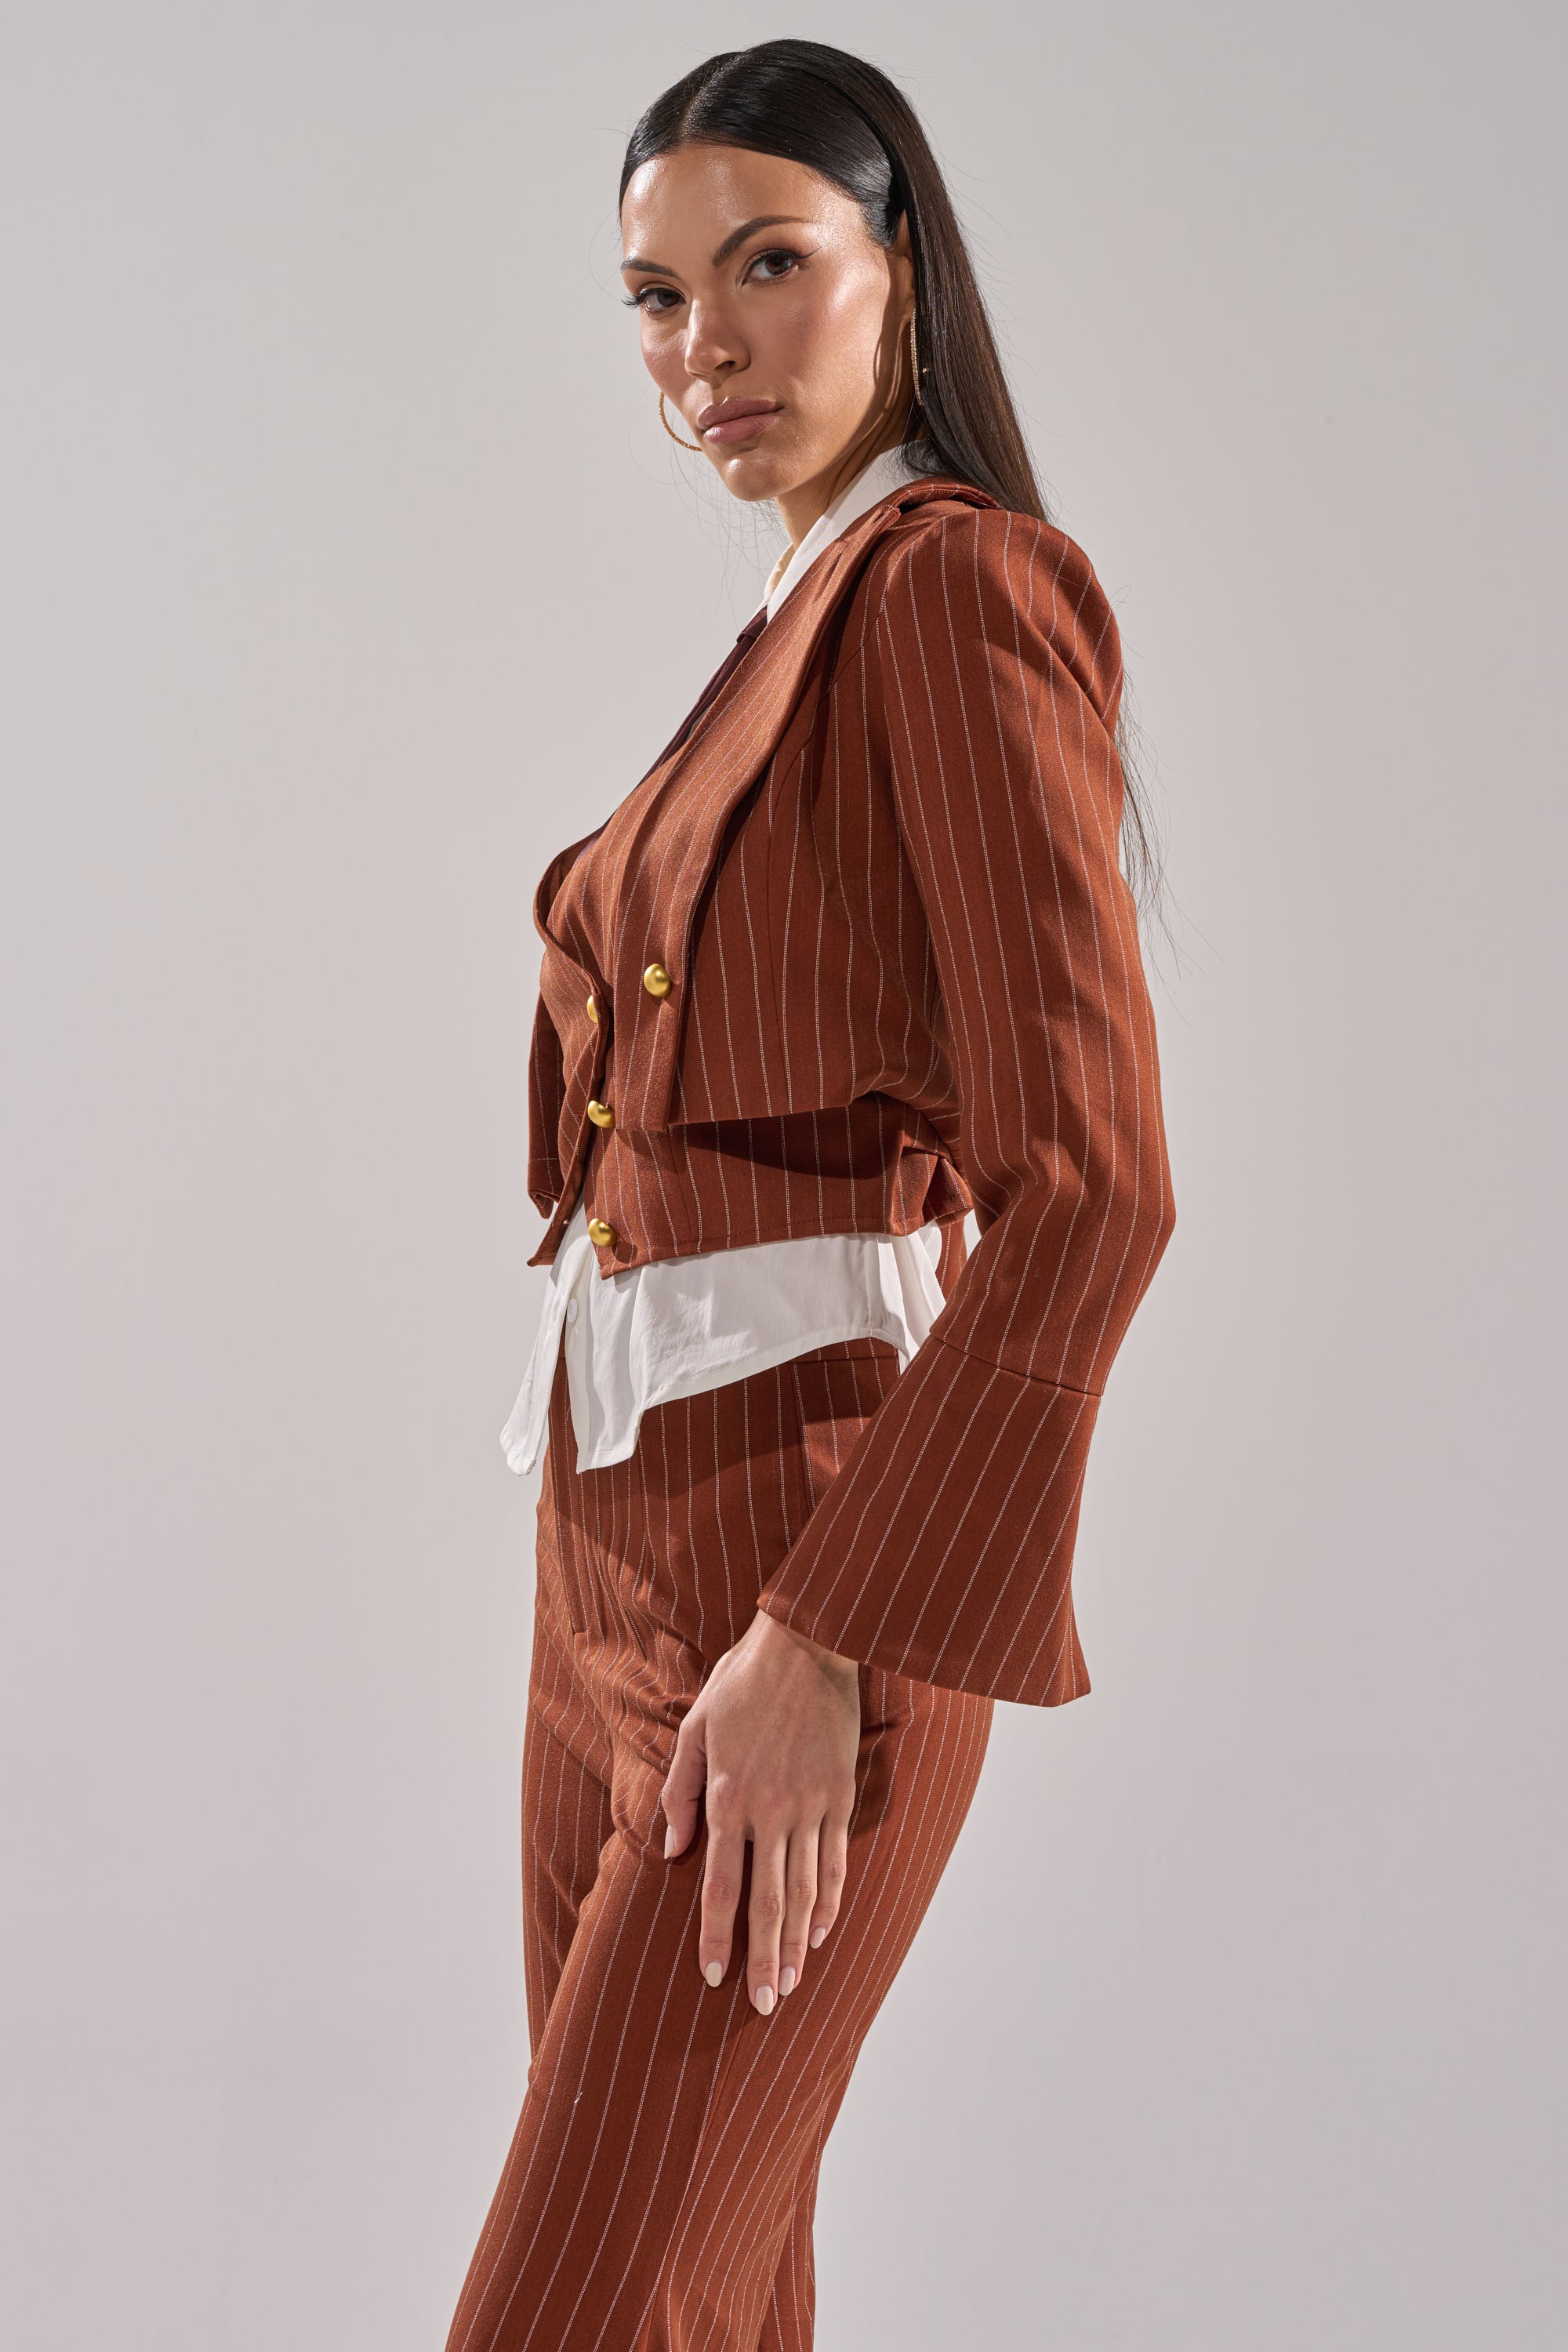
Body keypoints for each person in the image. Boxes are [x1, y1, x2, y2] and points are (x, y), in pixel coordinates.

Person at [445, 38, 1175, 2352]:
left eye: (768, 265)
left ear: (903, 279)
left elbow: (1094, 1187)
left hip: (795, 1565)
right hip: (606, 1548)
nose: (705, 350)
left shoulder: (960, 596)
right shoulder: (790, 621)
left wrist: (831, 1633)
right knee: (698, 2305)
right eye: (655, 298)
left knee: (575, 2310)